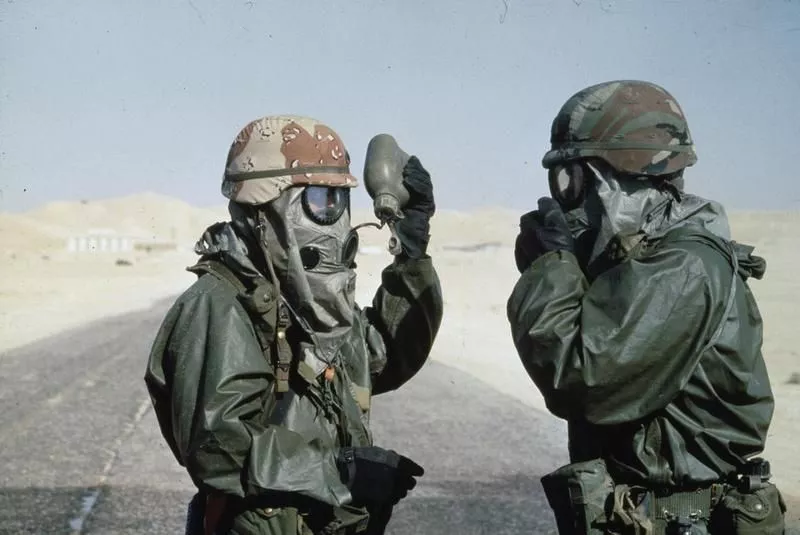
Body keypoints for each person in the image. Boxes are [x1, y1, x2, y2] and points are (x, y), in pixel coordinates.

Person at [507, 80, 786, 534]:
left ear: (618, 179)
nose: (569, 203)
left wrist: (551, 268)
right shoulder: (649, 264)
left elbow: (579, 377)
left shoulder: (681, 269)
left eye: (572, 181)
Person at [144, 114, 443, 535]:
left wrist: (412, 253)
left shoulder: (307, 307)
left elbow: (383, 356)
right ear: (266, 207)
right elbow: (217, 446)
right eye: (321, 201)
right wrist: (339, 473)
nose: (336, 220)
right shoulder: (220, 305)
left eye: (340, 200)